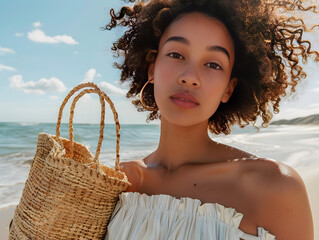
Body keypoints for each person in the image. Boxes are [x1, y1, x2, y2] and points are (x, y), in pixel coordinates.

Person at [103, 0, 319, 239]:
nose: (190, 77)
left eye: (213, 64)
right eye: (176, 54)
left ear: (229, 88)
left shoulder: (274, 187)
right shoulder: (117, 182)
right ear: (152, 68)